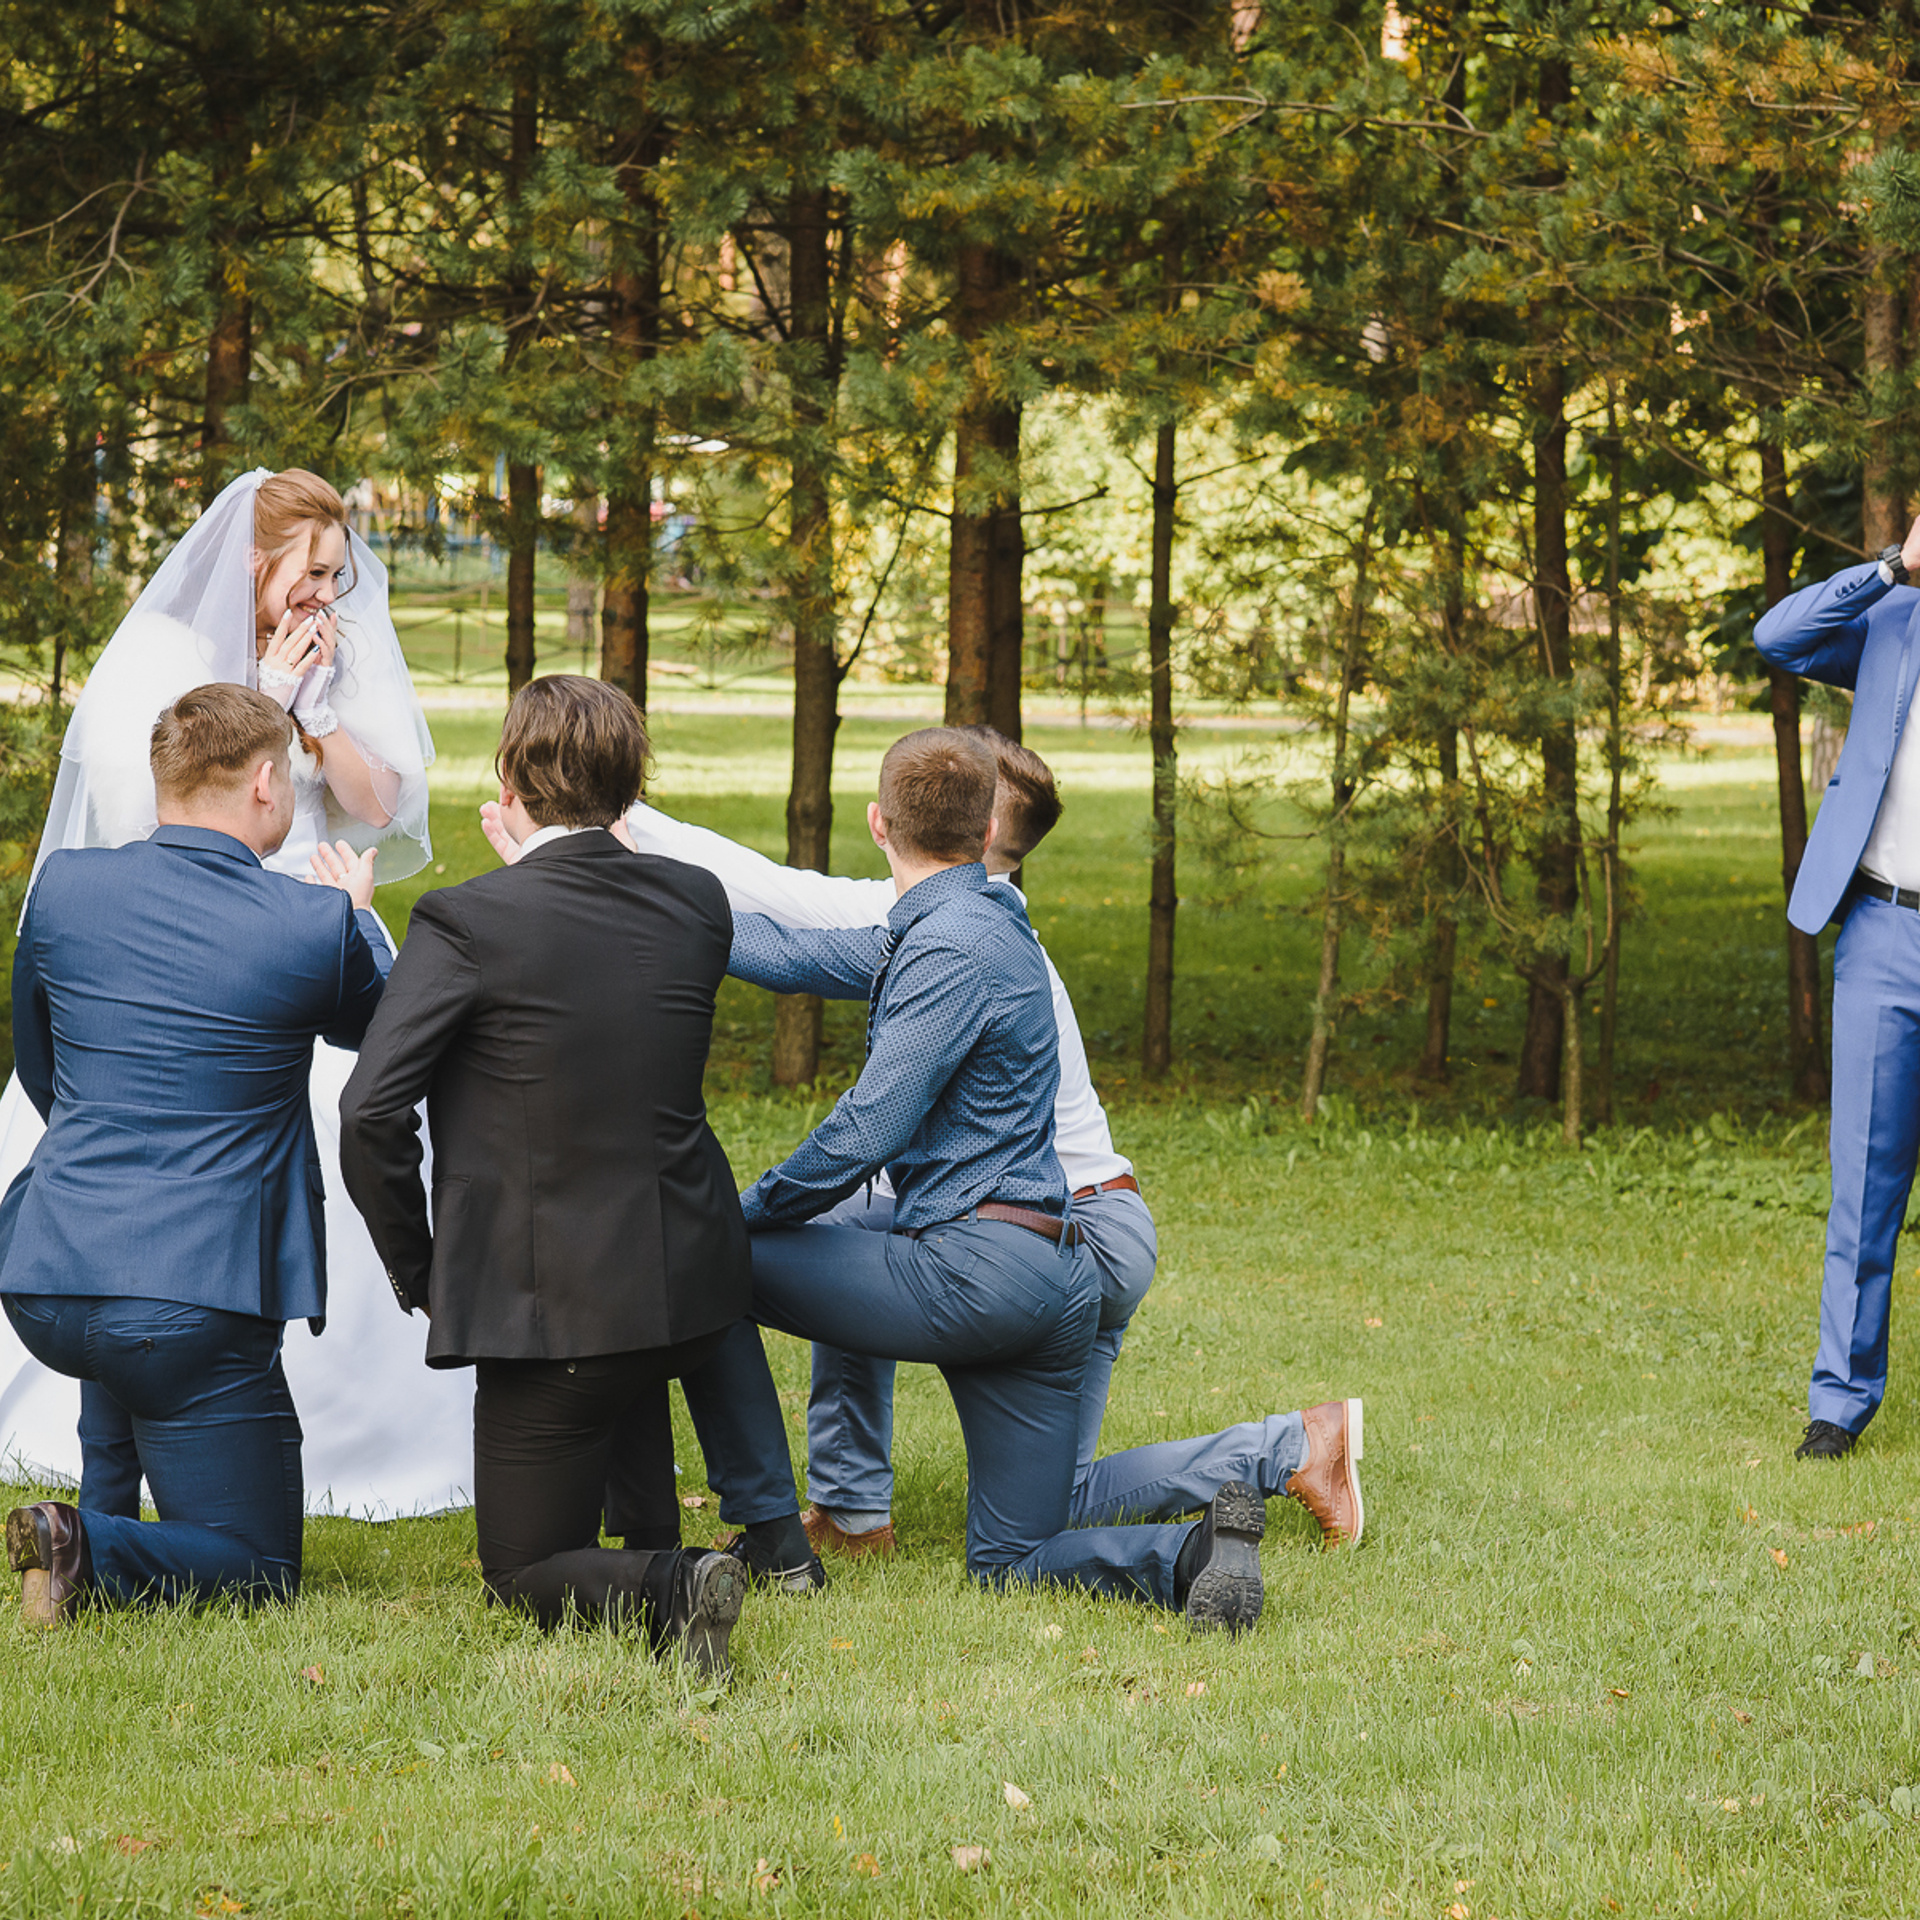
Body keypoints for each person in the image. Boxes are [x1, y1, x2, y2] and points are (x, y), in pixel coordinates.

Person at [582, 728, 1363, 1561]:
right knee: (1030, 1532)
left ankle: (796, 1531)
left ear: (882, 825)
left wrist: (734, 1215)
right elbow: (785, 950)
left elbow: (861, 1112)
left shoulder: (949, 942)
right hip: (1076, 1237)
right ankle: (1277, 1463)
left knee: (750, 1248)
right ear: (986, 837)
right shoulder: (973, 920)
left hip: (1039, 1242)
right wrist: (646, 892)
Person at [0, 468, 472, 1518]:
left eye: (340, 577)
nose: (326, 594)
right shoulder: (172, 659)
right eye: (312, 572)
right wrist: (262, 692)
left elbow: (379, 806)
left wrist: (317, 719)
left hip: (300, 907)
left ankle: (345, 1432)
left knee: (364, 1111)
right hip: (185, 938)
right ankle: (134, 1475)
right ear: (257, 564)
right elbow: (140, 803)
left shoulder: (333, 659)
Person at [337, 678, 753, 1677]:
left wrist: (425, 1272)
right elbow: (593, 951)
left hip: (554, 1302)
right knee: (621, 1418)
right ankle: (668, 1555)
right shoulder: (698, 903)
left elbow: (370, 1110)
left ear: (512, 779)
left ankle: (667, 1584)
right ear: (630, 784)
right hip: (686, 1284)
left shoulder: (471, 921)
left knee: (520, 1569)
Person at [1, 687, 390, 1624]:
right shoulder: (309, 922)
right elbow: (388, 1040)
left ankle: (90, 1519)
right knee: (258, 1568)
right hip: (195, 1295)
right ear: (265, 781)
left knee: (126, 1337)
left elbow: (42, 1073)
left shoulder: (64, 888)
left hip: (50, 1271)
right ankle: (84, 1542)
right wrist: (358, 920)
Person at [1756, 517, 1920, 1458]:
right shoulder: (1892, 616)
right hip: (1884, 930)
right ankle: (1839, 1404)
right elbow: (1778, 637)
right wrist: (1895, 567)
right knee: (1865, 1181)